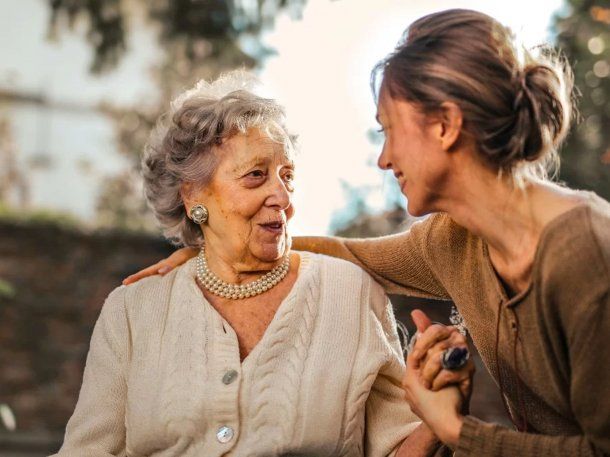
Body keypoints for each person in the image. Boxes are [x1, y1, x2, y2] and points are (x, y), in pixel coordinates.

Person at [126, 9, 610, 456]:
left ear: (444, 125)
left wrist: (456, 431)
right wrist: (218, 248)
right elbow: (347, 254)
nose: (384, 159)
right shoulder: (452, 241)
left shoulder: (585, 253)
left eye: (388, 130)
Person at [53, 71, 455, 457]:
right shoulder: (132, 310)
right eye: (256, 175)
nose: (282, 196)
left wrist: (439, 420)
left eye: (287, 176)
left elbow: (395, 447)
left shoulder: (350, 293)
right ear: (194, 197)